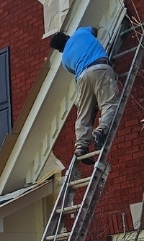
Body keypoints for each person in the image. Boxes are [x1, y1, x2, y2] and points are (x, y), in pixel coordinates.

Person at [49, 26, 120, 158]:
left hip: (82, 77)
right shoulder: (81, 32)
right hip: (100, 68)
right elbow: (94, 30)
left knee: (84, 112)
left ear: (60, 50)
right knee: (109, 103)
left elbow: (76, 72)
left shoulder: (65, 60)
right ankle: (102, 129)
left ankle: (81, 145)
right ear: (67, 36)